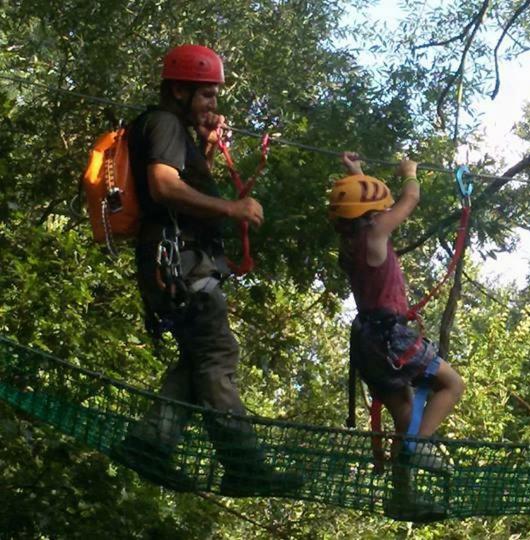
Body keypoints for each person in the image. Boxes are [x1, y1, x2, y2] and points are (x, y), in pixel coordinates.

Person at [112, 44, 301, 497]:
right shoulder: (163, 123)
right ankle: (244, 465)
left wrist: (208, 150)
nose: (214, 106)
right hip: (180, 264)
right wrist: (233, 207)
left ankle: (148, 442)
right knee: (217, 356)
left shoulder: (173, 130)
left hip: (175, 262)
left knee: (198, 358)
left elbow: (183, 186)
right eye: (207, 96)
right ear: (178, 89)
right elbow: (163, 187)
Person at [329, 153, 465, 516]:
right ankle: (419, 446)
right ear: (370, 215)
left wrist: (358, 173)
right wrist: (410, 174)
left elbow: (361, 207)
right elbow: (410, 200)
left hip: (368, 342)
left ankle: (402, 496)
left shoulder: (352, 243)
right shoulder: (375, 232)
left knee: (405, 413)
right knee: (452, 385)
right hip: (390, 336)